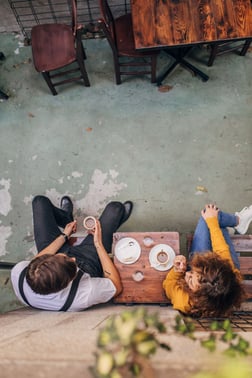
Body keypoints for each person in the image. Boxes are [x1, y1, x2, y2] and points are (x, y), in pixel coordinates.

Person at [11, 195, 133, 311]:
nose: (73, 258)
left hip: (56, 251)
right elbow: (116, 286)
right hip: (87, 263)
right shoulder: (83, 296)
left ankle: (65, 217)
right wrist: (98, 243)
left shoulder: (19, 273)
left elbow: (37, 260)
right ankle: (115, 222)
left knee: (39, 202)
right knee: (115, 208)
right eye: (71, 264)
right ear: (67, 282)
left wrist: (65, 235)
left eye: (63, 258)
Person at [163, 203, 252, 317]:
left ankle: (230, 225)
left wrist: (177, 271)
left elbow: (168, 284)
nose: (188, 273)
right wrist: (213, 222)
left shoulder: (184, 301)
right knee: (213, 218)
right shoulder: (227, 274)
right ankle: (238, 221)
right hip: (227, 267)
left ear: (197, 295)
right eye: (193, 272)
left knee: (209, 214)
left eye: (190, 280)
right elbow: (221, 250)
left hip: (214, 270)